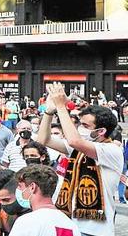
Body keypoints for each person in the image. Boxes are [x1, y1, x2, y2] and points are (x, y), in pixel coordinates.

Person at [38, 83, 123, 236]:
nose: (79, 129)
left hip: (96, 230)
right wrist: (50, 111)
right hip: (70, 225)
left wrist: (61, 106)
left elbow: (74, 141)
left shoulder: (112, 150)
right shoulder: (78, 149)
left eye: (84, 125)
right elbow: (44, 140)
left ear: (101, 131)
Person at [8, 164, 81, 236]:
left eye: (20, 186)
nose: (18, 190)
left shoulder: (27, 221)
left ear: (32, 187)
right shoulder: (71, 226)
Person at [0, 169, 31, 236]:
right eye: (0, 200)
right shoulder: (0, 209)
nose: (2, 204)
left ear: (19, 191)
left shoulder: (35, 210)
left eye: (6, 200)